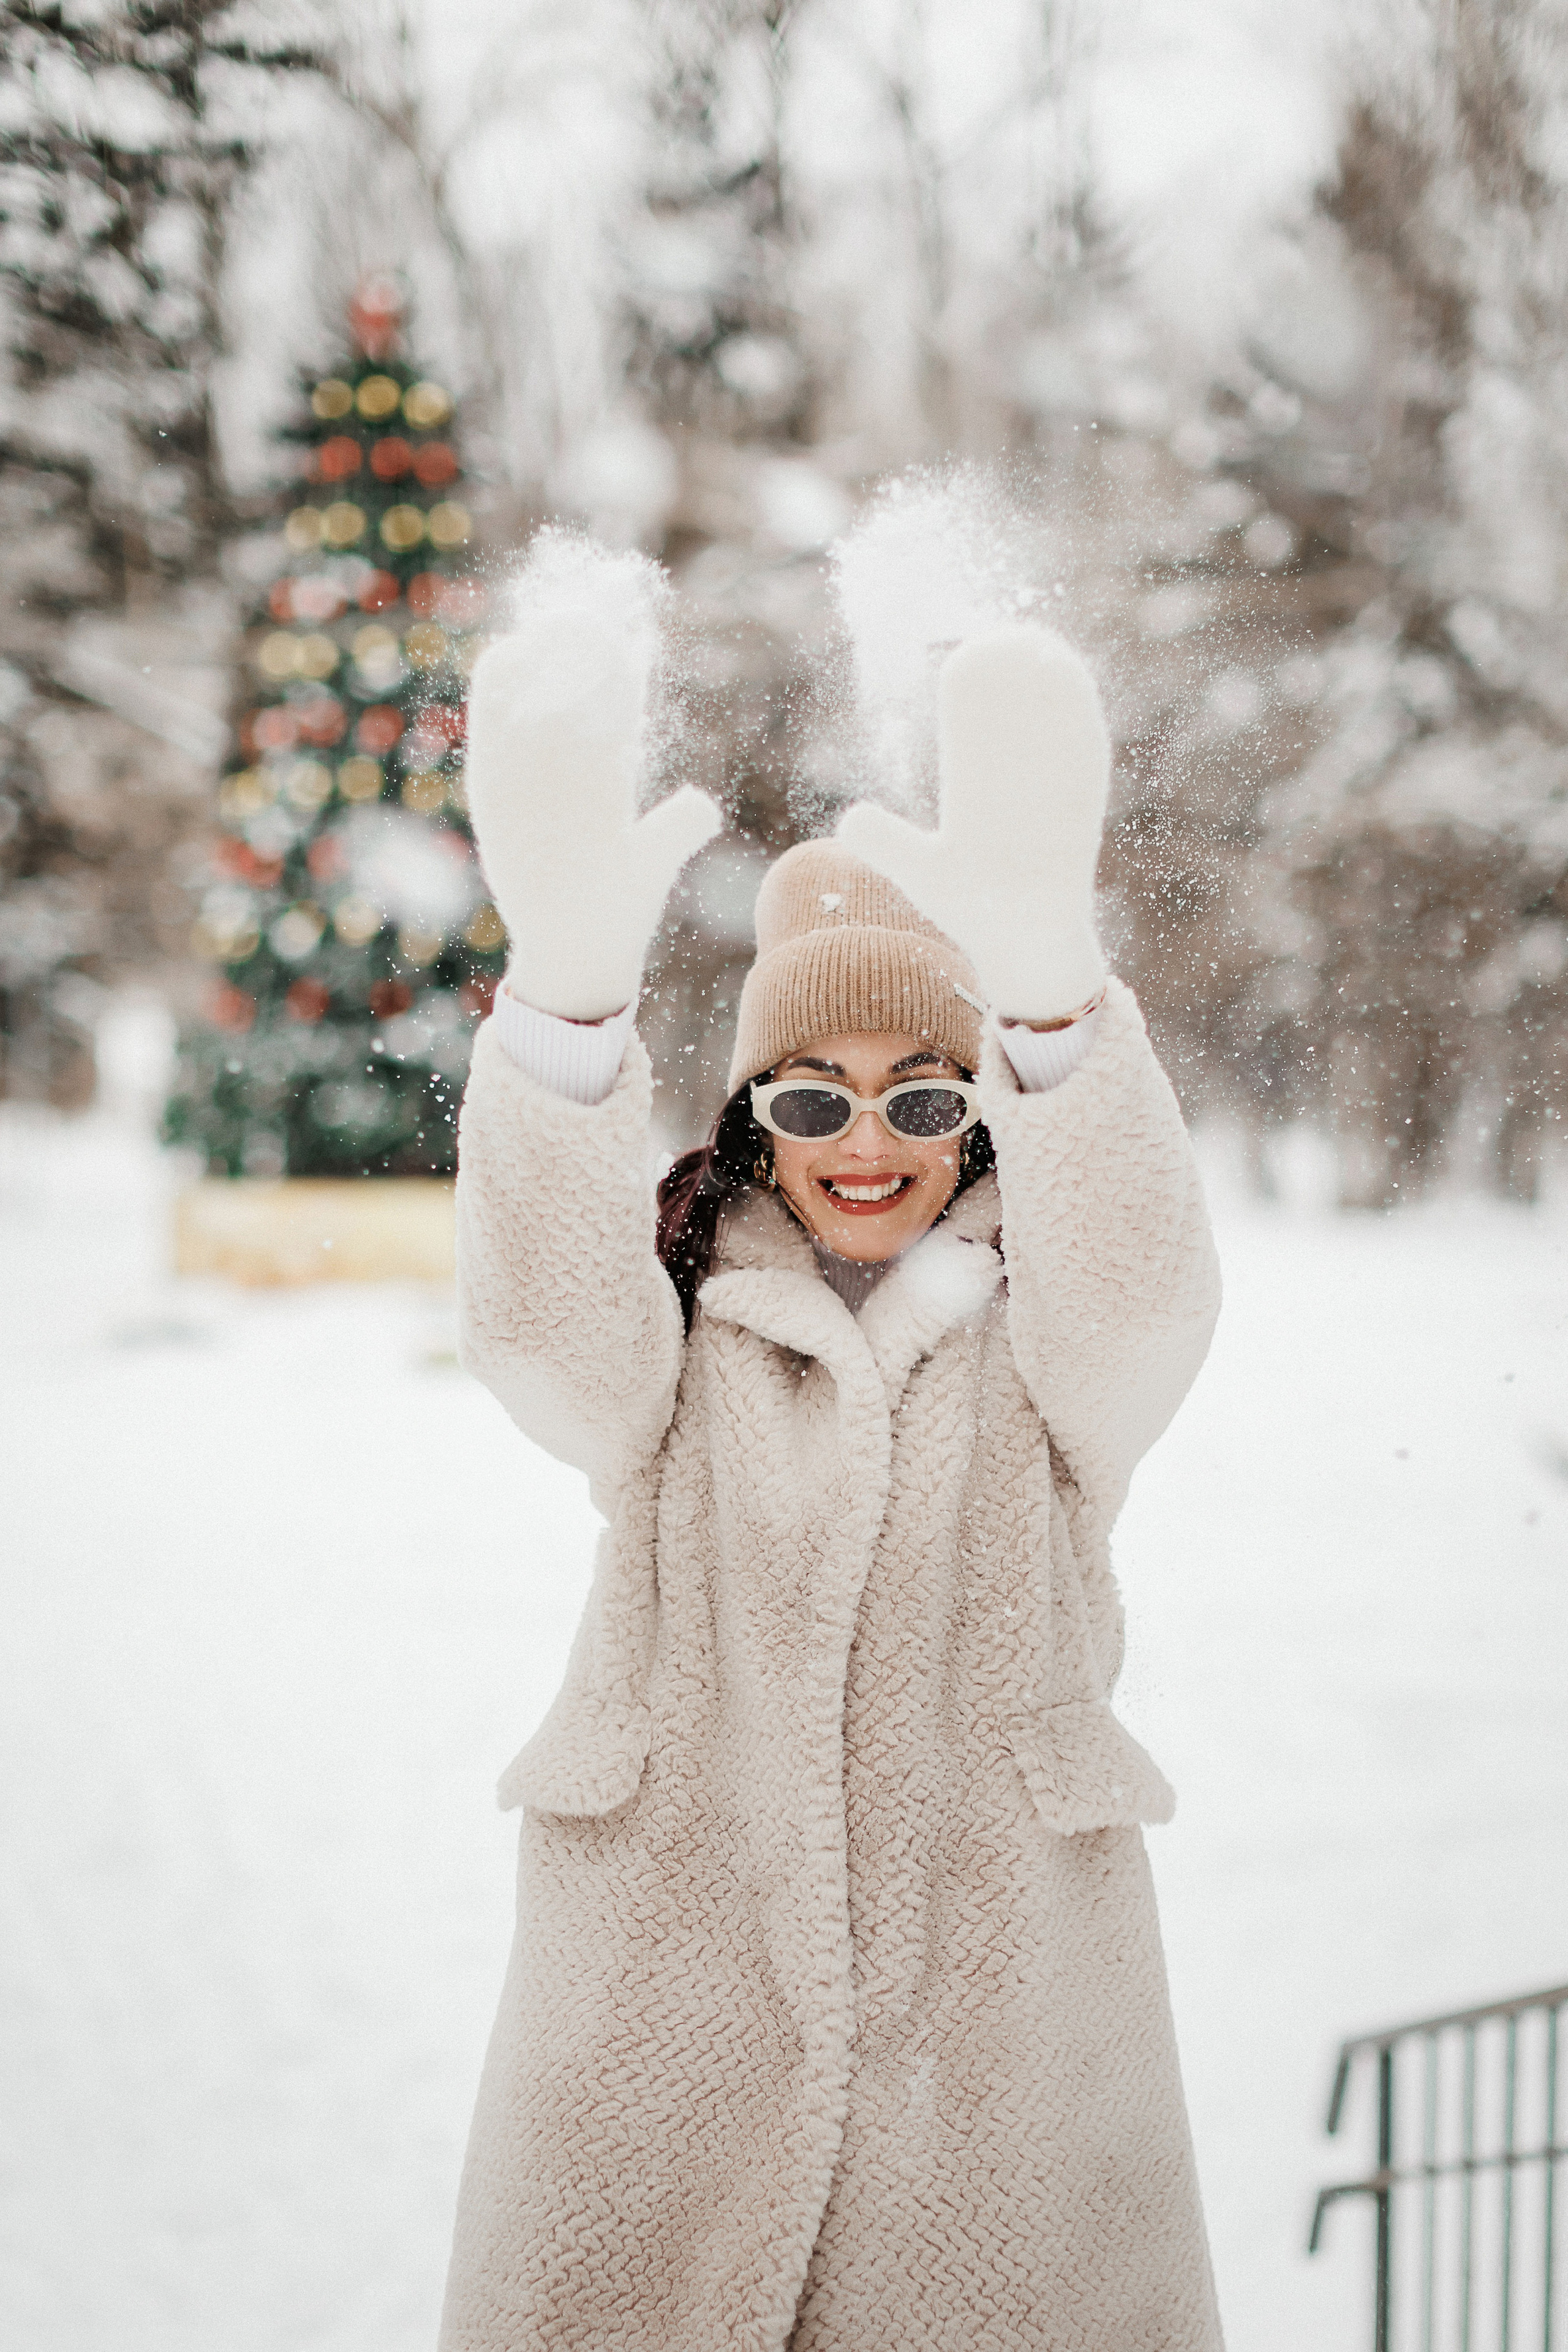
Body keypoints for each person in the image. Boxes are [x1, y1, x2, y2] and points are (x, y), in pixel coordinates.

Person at [438, 587, 1225, 2351]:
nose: (867, 1144)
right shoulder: (677, 1336)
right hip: (662, 2003)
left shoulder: (1050, 1348)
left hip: (999, 2040)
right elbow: (544, 1340)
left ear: (980, 1123)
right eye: (811, 1100)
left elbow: (1148, 1303)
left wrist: (1052, 1010)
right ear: (746, 1123)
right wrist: (561, 1013)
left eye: (924, 1101)